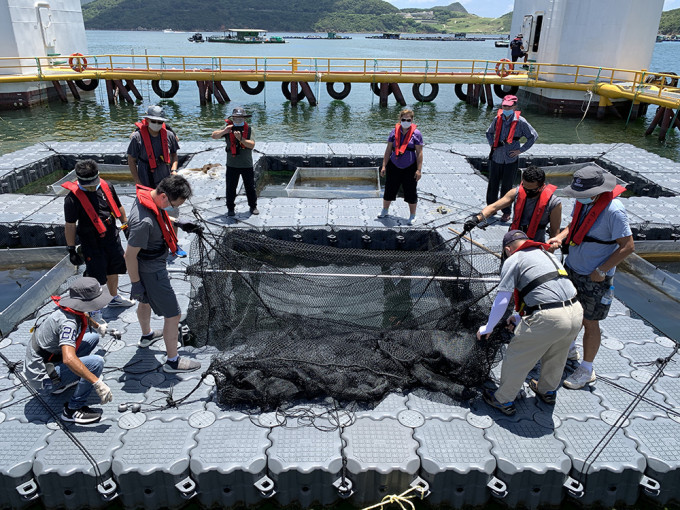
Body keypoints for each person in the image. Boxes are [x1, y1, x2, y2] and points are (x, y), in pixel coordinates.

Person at [547, 165, 635, 390]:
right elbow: (573, 225)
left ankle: (586, 368)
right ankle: (570, 348)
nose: (579, 198)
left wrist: (603, 270)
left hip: (595, 276)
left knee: (590, 321)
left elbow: (627, 247)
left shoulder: (614, 211)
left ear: (596, 191)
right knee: (570, 313)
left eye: (582, 195)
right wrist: (559, 238)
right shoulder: (583, 201)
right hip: (573, 268)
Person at [478, 230, 583, 415]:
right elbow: (543, 288)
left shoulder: (514, 259)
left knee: (517, 355)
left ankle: (503, 399)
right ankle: (547, 391)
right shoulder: (545, 254)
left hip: (550, 318)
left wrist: (488, 327)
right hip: (575, 312)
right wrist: (519, 316)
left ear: (508, 249)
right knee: (557, 354)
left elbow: (503, 298)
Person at [124, 175, 203, 373]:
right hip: (152, 271)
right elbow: (129, 255)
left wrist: (177, 222)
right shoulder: (144, 223)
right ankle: (173, 361)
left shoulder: (151, 197)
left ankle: (147, 335)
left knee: (145, 302)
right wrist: (136, 284)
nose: (173, 209)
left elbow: (159, 215)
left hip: (149, 265)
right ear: (165, 197)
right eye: (175, 205)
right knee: (173, 314)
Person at [23, 277, 114, 424]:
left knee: (92, 337)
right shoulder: (68, 323)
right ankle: (72, 410)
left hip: (49, 360)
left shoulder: (72, 306)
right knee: (96, 363)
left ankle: (62, 383)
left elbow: (83, 313)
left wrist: (97, 326)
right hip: (42, 377)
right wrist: (96, 382)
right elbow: (68, 359)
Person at [63, 160, 136, 325]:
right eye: (87, 185)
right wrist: (71, 249)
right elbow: (69, 225)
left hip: (111, 236)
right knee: (95, 277)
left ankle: (113, 297)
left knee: (114, 268)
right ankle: (95, 311)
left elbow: (119, 207)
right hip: (91, 243)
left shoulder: (106, 186)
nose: (90, 187)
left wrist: (125, 226)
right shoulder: (71, 199)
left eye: (93, 183)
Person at [127, 105, 186, 257]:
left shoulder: (169, 135)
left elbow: (174, 156)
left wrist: (173, 170)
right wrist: (137, 181)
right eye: (153, 121)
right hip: (146, 182)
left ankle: (174, 243)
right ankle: (149, 244)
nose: (157, 125)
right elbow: (131, 160)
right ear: (147, 120)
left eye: (160, 122)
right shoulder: (137, 137)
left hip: (165, 180)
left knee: (172, 211)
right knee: (148, 215)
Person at [464, 165, 561, 243]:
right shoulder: (516, 192)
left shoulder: (554, 203)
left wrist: (550, 251)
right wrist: (476, 219)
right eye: (525, 188)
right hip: (513, 240)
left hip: (535, 243)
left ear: (542, 185)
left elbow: (554, 232)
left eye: (532, 190)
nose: (527, 192)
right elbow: (493, 207)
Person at [485, 95, 537, 223]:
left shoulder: (521, 121)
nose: (506, 108)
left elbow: (533, 136)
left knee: (507, 187)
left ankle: (506, 211)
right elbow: (489, 132)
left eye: (509, 106)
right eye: (504, 106)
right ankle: (491, 208)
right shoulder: (497, 118)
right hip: (497, 156)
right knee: (493, 184)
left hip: (510, 158)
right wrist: (492, 144)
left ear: (514, 107)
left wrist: (521, 150)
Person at [378, 108, 423, 226]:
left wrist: (419, 170)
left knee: (410, 190)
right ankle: (385, 210)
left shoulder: (416, 134)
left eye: (408, 120)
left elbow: (419, 153)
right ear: (400, 119)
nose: (406, 121)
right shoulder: (393, 132)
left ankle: (412, 215)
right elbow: (388, 150)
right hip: (394, 165)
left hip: (410, 166)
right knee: (389, 188)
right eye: (404, 119)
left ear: (412, 120)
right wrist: (384, 166)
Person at [211, 106, 258, 217]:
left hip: (246, 164)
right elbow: (214, 135)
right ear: (233, 118)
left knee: (250, 187)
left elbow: (251, 145)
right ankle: (230, 208)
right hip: (232, 164)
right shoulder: (228, 127)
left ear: (244, 118)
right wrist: (224, 131)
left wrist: (240, 139)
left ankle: (253, 206)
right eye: (236, 118)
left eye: (240, 117)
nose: (238, 119)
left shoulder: (250, 129)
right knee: (231, 187)